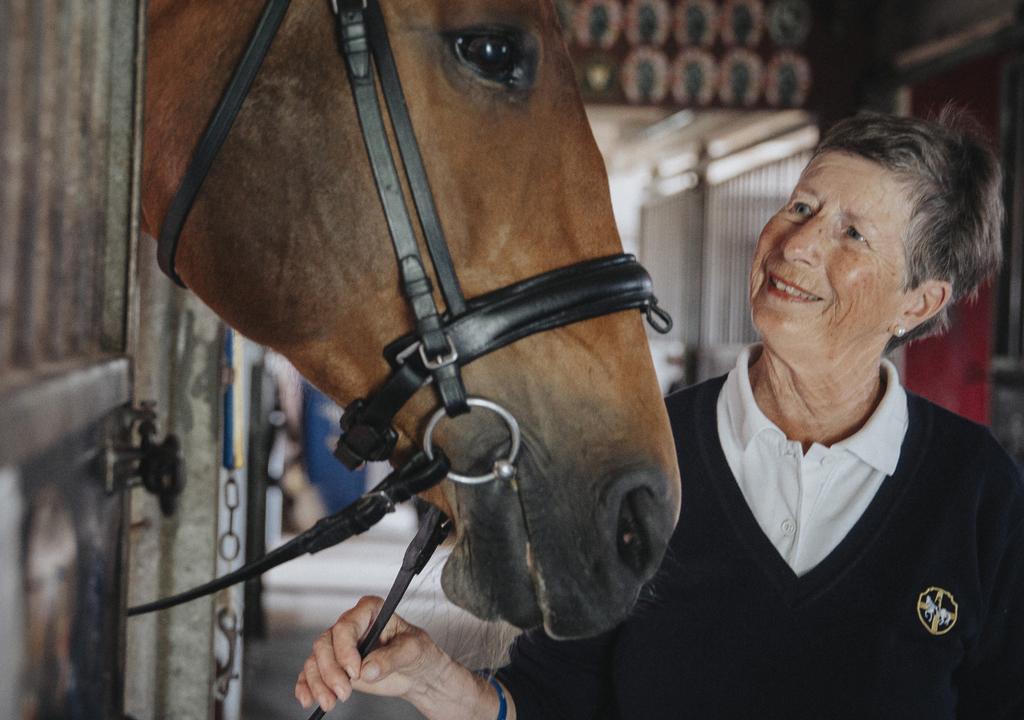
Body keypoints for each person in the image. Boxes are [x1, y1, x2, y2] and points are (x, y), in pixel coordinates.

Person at [293, 110, 1023, 719]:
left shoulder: (977, 493)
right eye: (801, 206)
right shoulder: (639, 454)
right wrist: (430, 678)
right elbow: (550, 703)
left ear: (919, 301)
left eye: (852, 234)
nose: (796, 244)